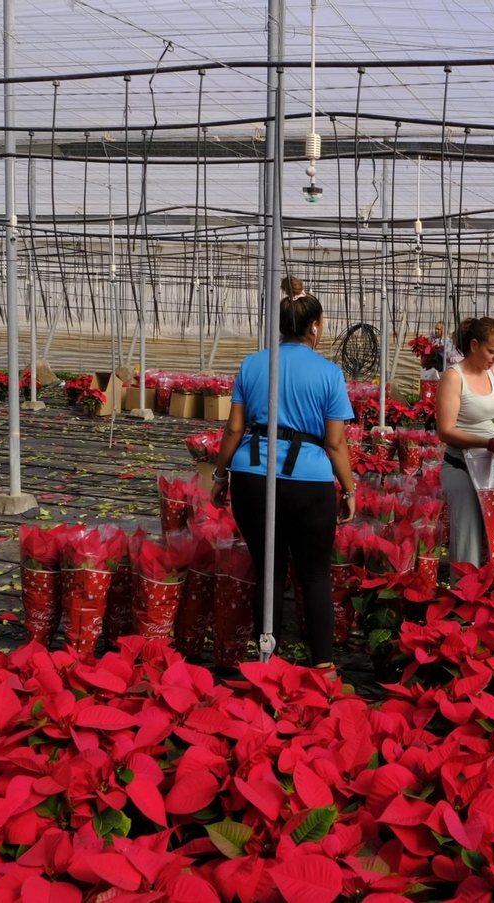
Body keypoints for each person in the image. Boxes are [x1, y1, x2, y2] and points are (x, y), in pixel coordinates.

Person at [211, 276, 357, 675]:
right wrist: (348, 489)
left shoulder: (253, 363)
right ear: (315, 326)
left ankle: (265, 662)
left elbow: (234, 429)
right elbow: (335, 443)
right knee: (314, 573)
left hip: (252, 475)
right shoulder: (329, 373)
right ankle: (323, 665)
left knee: (268, 570)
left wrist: (221, 475)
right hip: (308, 481)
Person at [437, 316, 494, 570]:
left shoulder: (492, 373)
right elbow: (446, 430)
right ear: (474, 345)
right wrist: (486, 443)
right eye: (492, 350)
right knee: (469, 539)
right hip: (462, 466)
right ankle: (466, 599)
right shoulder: (454, 377)